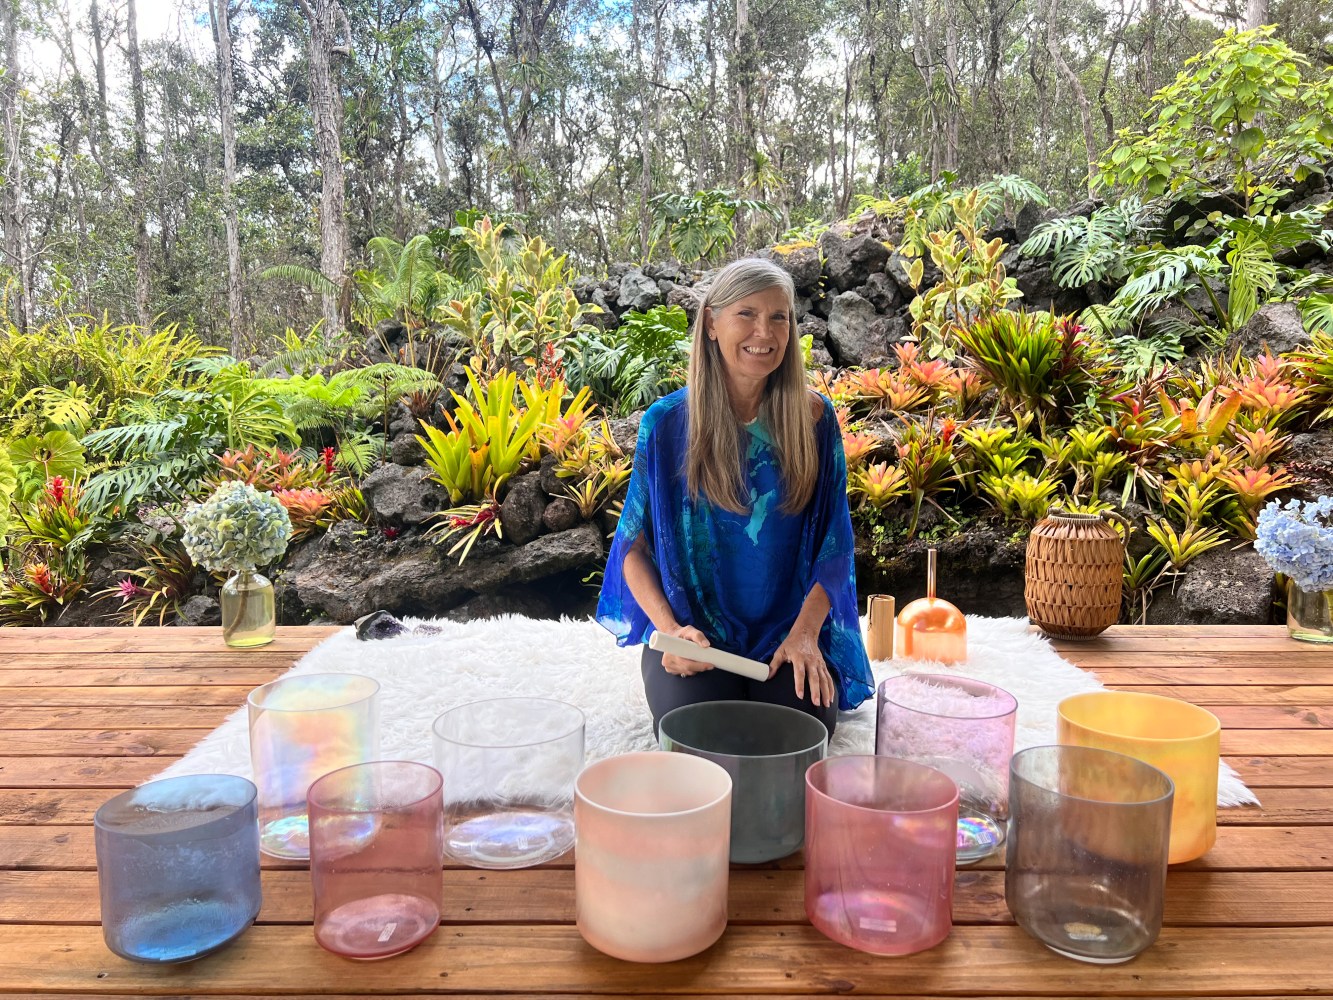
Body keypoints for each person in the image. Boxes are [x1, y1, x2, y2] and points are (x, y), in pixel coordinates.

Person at [596, 257, 874, 737]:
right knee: (697, 735)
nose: (764, 332)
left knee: (796, 735)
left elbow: (835, 548)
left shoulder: (814, 419)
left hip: (787, 633)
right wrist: (671, 632)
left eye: (778, 317)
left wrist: (806, 636)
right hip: (696, 637)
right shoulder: (665, 425)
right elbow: (632, 551)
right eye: (746, 313)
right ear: (711, 322)